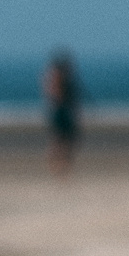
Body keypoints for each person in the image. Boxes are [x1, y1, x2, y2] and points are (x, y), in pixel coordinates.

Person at [42, 47, 83, 176]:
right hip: (61, 110)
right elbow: (55, 95)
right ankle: (57, 167)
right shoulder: (57, 77)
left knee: (65, 140)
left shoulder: (58, 77)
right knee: (60, 140)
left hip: (63, 110)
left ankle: (60, 167)